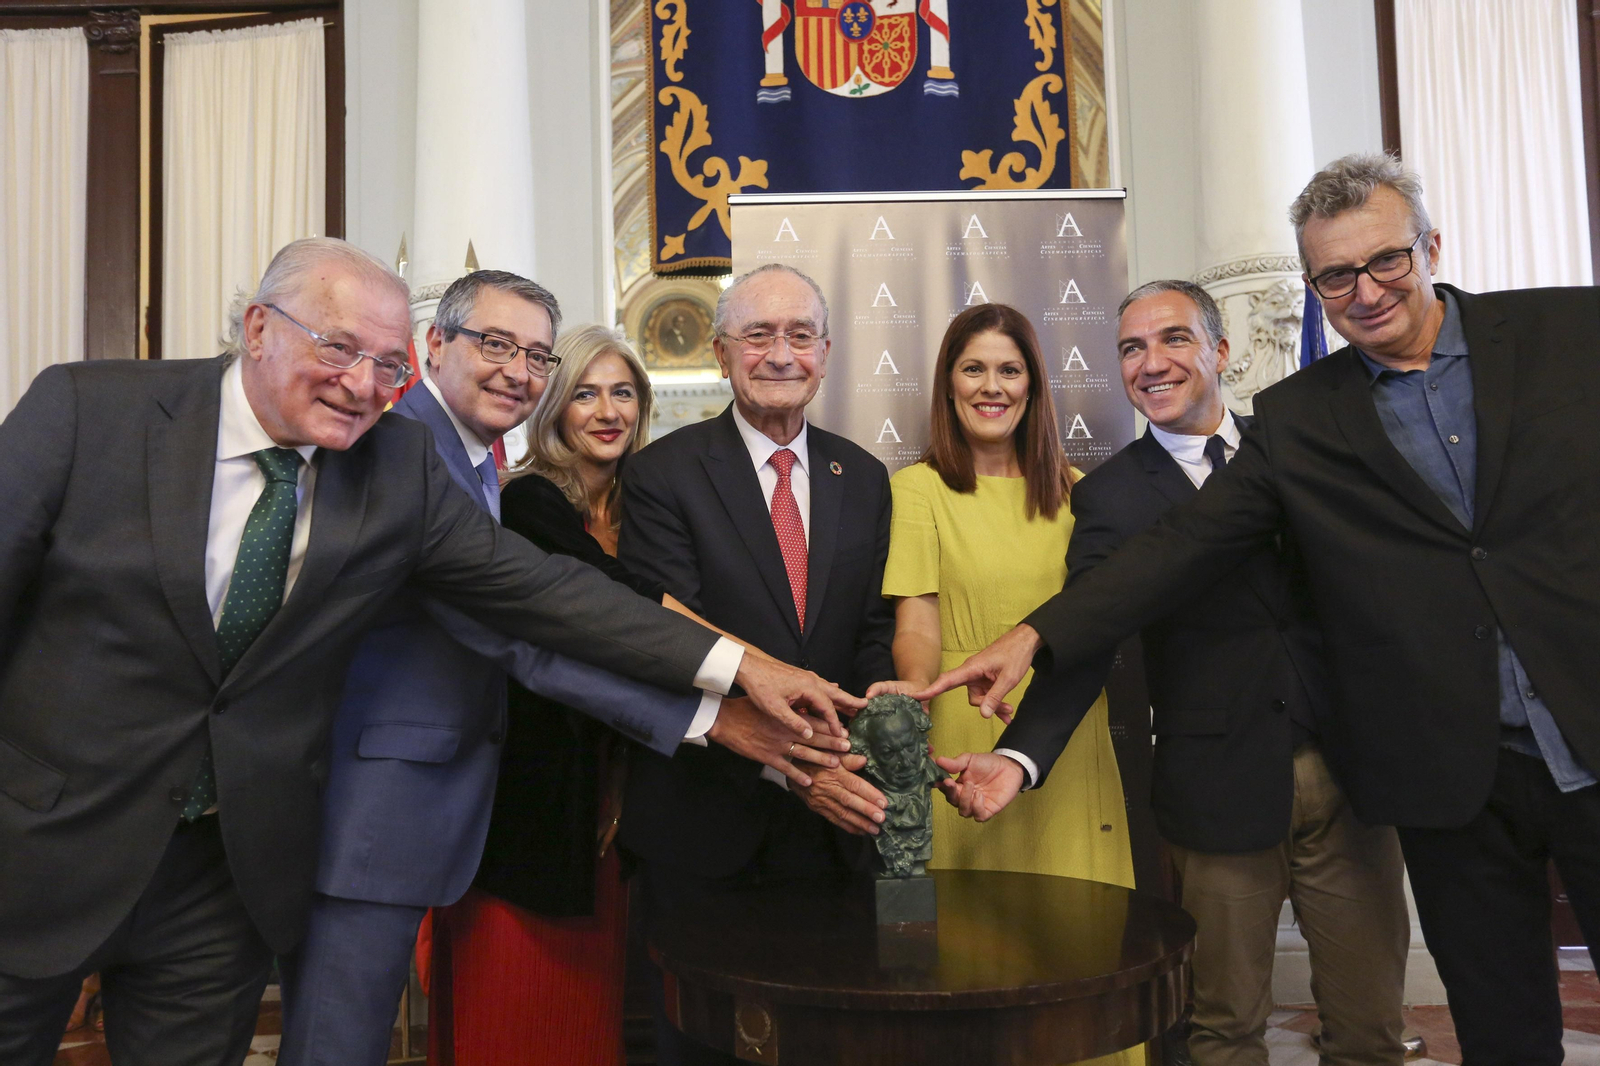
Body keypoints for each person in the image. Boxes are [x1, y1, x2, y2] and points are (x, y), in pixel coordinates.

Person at [0, 237, 856, 1066]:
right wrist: (725, 707)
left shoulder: (397, 460)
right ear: (258, 328)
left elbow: (537, 597)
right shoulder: (87, 410)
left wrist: (744, 670)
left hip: (224, 871)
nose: (362, 384)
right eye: (338, 348)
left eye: (383, 362)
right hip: (46, 848)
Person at [924, 153, 1600, 1066]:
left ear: (1431, 246)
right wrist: (1034, 638)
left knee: (1370, 1024)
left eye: (1386, 262)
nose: (1364, 291)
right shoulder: (1301, 423)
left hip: (1529, 738)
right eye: (1333, 276)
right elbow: (1173, 555)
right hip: (1438, 781)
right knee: (1502, 1031)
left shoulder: (1570, 330)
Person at [276, 275, 837, 1066]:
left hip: (473, 814)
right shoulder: (405, 451)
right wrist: (726, 698)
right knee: (339, 1043)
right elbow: (530, 637)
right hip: (377, 813)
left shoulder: (468, 461)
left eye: (536, 353)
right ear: (433, 345)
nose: (518, 370)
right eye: (496, 345)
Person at [942, 282, 1409, 1064]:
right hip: (1217, 790)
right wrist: (1020, 758)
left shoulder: (1300, 445)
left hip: (1350, 777)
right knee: (1223, 1031)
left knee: (1371, 1028)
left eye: (1173, 340)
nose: (1151, 363)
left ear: (1222, 351)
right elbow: (1088, 629)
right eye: (1131, 349)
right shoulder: (1112, 495)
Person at [617, 263, 896, 1066]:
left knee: (831, 1036)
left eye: (800, 336)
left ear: (827, 352)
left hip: (837, 826)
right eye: (759, 335)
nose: (781, 354)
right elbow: (670, 637)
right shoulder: (664, 474)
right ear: (720, 352)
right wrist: (799, 759)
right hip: (709, 820)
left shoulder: (865, 477)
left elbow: (871, 632)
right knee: (705, 1041)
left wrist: (870, 726)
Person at [879, 302, 1139, 1066]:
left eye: (1008, 369)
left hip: (1064, 746)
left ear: (1033, 386)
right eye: (973, 368)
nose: (991, 386)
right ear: (948, 384)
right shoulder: (918, 490)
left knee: (1077, 953)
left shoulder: (1083, 493)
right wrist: (915, 695)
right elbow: (917, 623)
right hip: (958, 740)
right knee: (962, 960)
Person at [428, 325, 686, 1064]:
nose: (607, 411)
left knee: (591, 1021)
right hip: (531, 809)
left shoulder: (650, 512)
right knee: (515, 1013)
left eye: (624, 392)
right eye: (585, 393)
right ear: (554, 408)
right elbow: (612, 605)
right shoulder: (530, 500)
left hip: (619, 806)